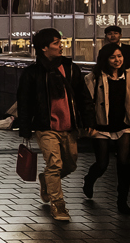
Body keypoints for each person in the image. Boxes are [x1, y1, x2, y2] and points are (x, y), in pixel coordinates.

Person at [17, 28, 92, 221]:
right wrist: (25, 127)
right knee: (54, 165)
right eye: (56, 43)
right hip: (46, 127)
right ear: (44, 48)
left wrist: (89, 120)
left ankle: (46, 180)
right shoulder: (32, 73)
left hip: (69, 126)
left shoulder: (70, 68)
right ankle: (58, 206)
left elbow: (83, 96)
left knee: (70, 165)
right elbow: (24, 102)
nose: (61, 46)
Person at [83, 42, 130, 215]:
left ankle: (122, 201)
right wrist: (87, 125)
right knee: (102, 164)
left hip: (124, 124)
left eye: (119, 56)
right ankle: (89, 180)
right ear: (105, 59)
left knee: (124, 162)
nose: (117, 60)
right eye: (113, 57)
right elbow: (86, 103)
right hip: (101, 125)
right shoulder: (93, 78)